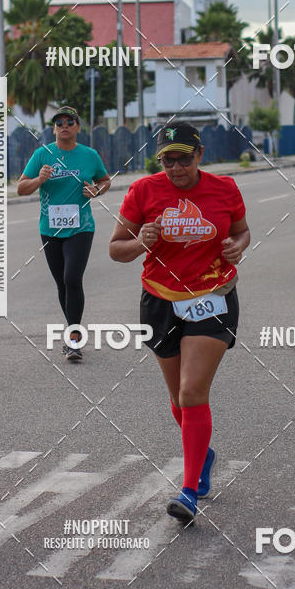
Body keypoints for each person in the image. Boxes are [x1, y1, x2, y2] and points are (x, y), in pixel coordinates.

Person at [109, 122, 250, 523]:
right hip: (160, 301)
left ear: (199, 155)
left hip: (212, 298)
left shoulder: (225, 189)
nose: (175, 168)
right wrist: (142, 243)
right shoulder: (143, 191)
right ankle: (202, 455)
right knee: (178, 401)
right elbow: (116, 250)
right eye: (168, 160)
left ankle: (188, 491)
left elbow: (242, 233)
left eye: (183, 159)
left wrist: (236, 248)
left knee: (191, 392)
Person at [18, 106, 110, 360]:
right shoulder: (42, 154)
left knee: (72, 279)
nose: (64, 126)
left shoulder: (89, 155)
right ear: (54, 128)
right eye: (59, 123)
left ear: (78, 127)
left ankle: (74, 339)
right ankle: (73, 330)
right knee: (61, 283)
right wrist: (39, 180)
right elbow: (21, 189)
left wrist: (96, 191)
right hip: (50, 229)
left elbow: (105, 180)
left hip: (81, 228)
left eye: (70, 121)